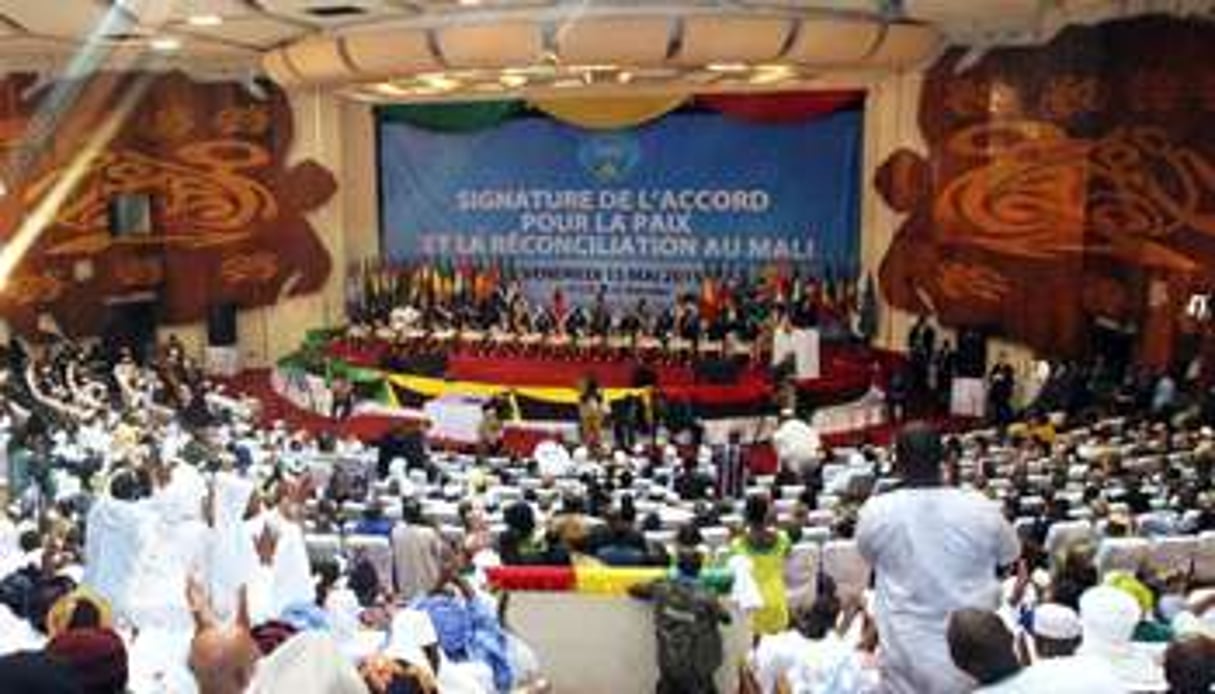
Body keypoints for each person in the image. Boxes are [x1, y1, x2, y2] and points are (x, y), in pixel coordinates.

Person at [856, 421, 1020, 693]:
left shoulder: (876, 511)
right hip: (971, 661)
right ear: (943, 459)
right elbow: (1009, 555)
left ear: (897, 462)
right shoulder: (979, 506)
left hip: (905, 657)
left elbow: (868, 556)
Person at [629, 542, 730, 693]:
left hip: (669, 661)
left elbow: (633, 589)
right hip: (698, 667)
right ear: (700, 567)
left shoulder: (662, 587)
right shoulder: (707, 595)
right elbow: (727, 619)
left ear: (678, 566)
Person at [730, 494, 791, 635]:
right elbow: (787, 552)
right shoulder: (783, 539)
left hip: (753, 604)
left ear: (746, 515)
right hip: (777, 602)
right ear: (766, 514)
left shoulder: (737, 545)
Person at [391, 498, 443, 602]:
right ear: (420, 514)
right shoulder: (429, 533)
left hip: (405, 591)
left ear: (404, 516)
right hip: (429, 592)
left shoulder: (395, 533)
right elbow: (441, 556)